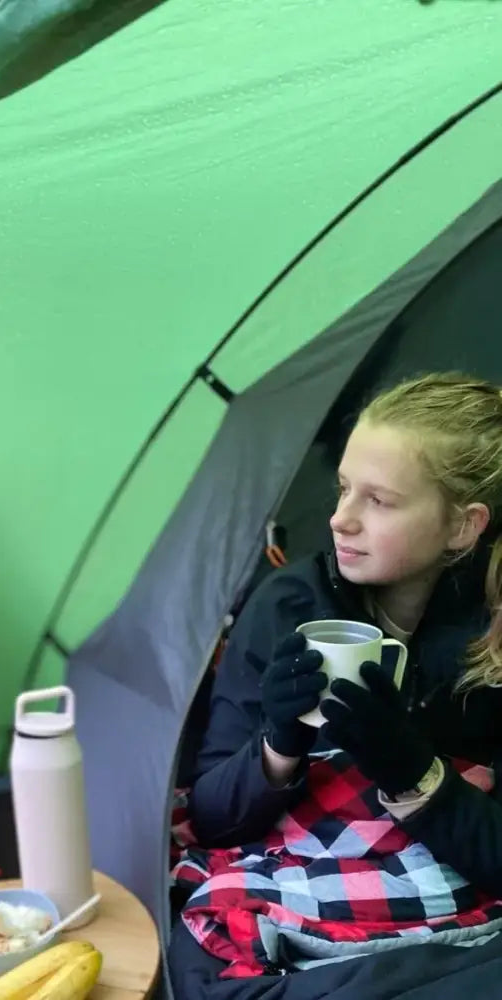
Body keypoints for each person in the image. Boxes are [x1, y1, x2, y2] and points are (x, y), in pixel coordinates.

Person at [168, 372, 502, 999]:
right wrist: (278, 745)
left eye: (379, 501)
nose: (340, 519)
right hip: (297, 884)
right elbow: (211, 820)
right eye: (344, 489)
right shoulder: (289, 604)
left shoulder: (493, 633)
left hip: (454, 905)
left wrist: (413, 771)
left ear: (464, 525)